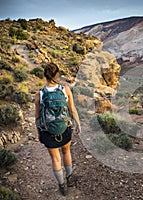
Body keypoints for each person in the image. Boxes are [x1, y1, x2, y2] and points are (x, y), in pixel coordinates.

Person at [34, 62, 81, 196]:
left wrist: (39, 133)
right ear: (57, 74)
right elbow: (72, 110)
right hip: (64, 128)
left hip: (48, 132)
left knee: (55, 158)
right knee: (66, 152)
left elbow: (37, 117)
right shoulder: (65, 89)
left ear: (45, 76)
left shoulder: (40, 94)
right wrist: (78, 124)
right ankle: (70, 178)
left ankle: (62, 186)